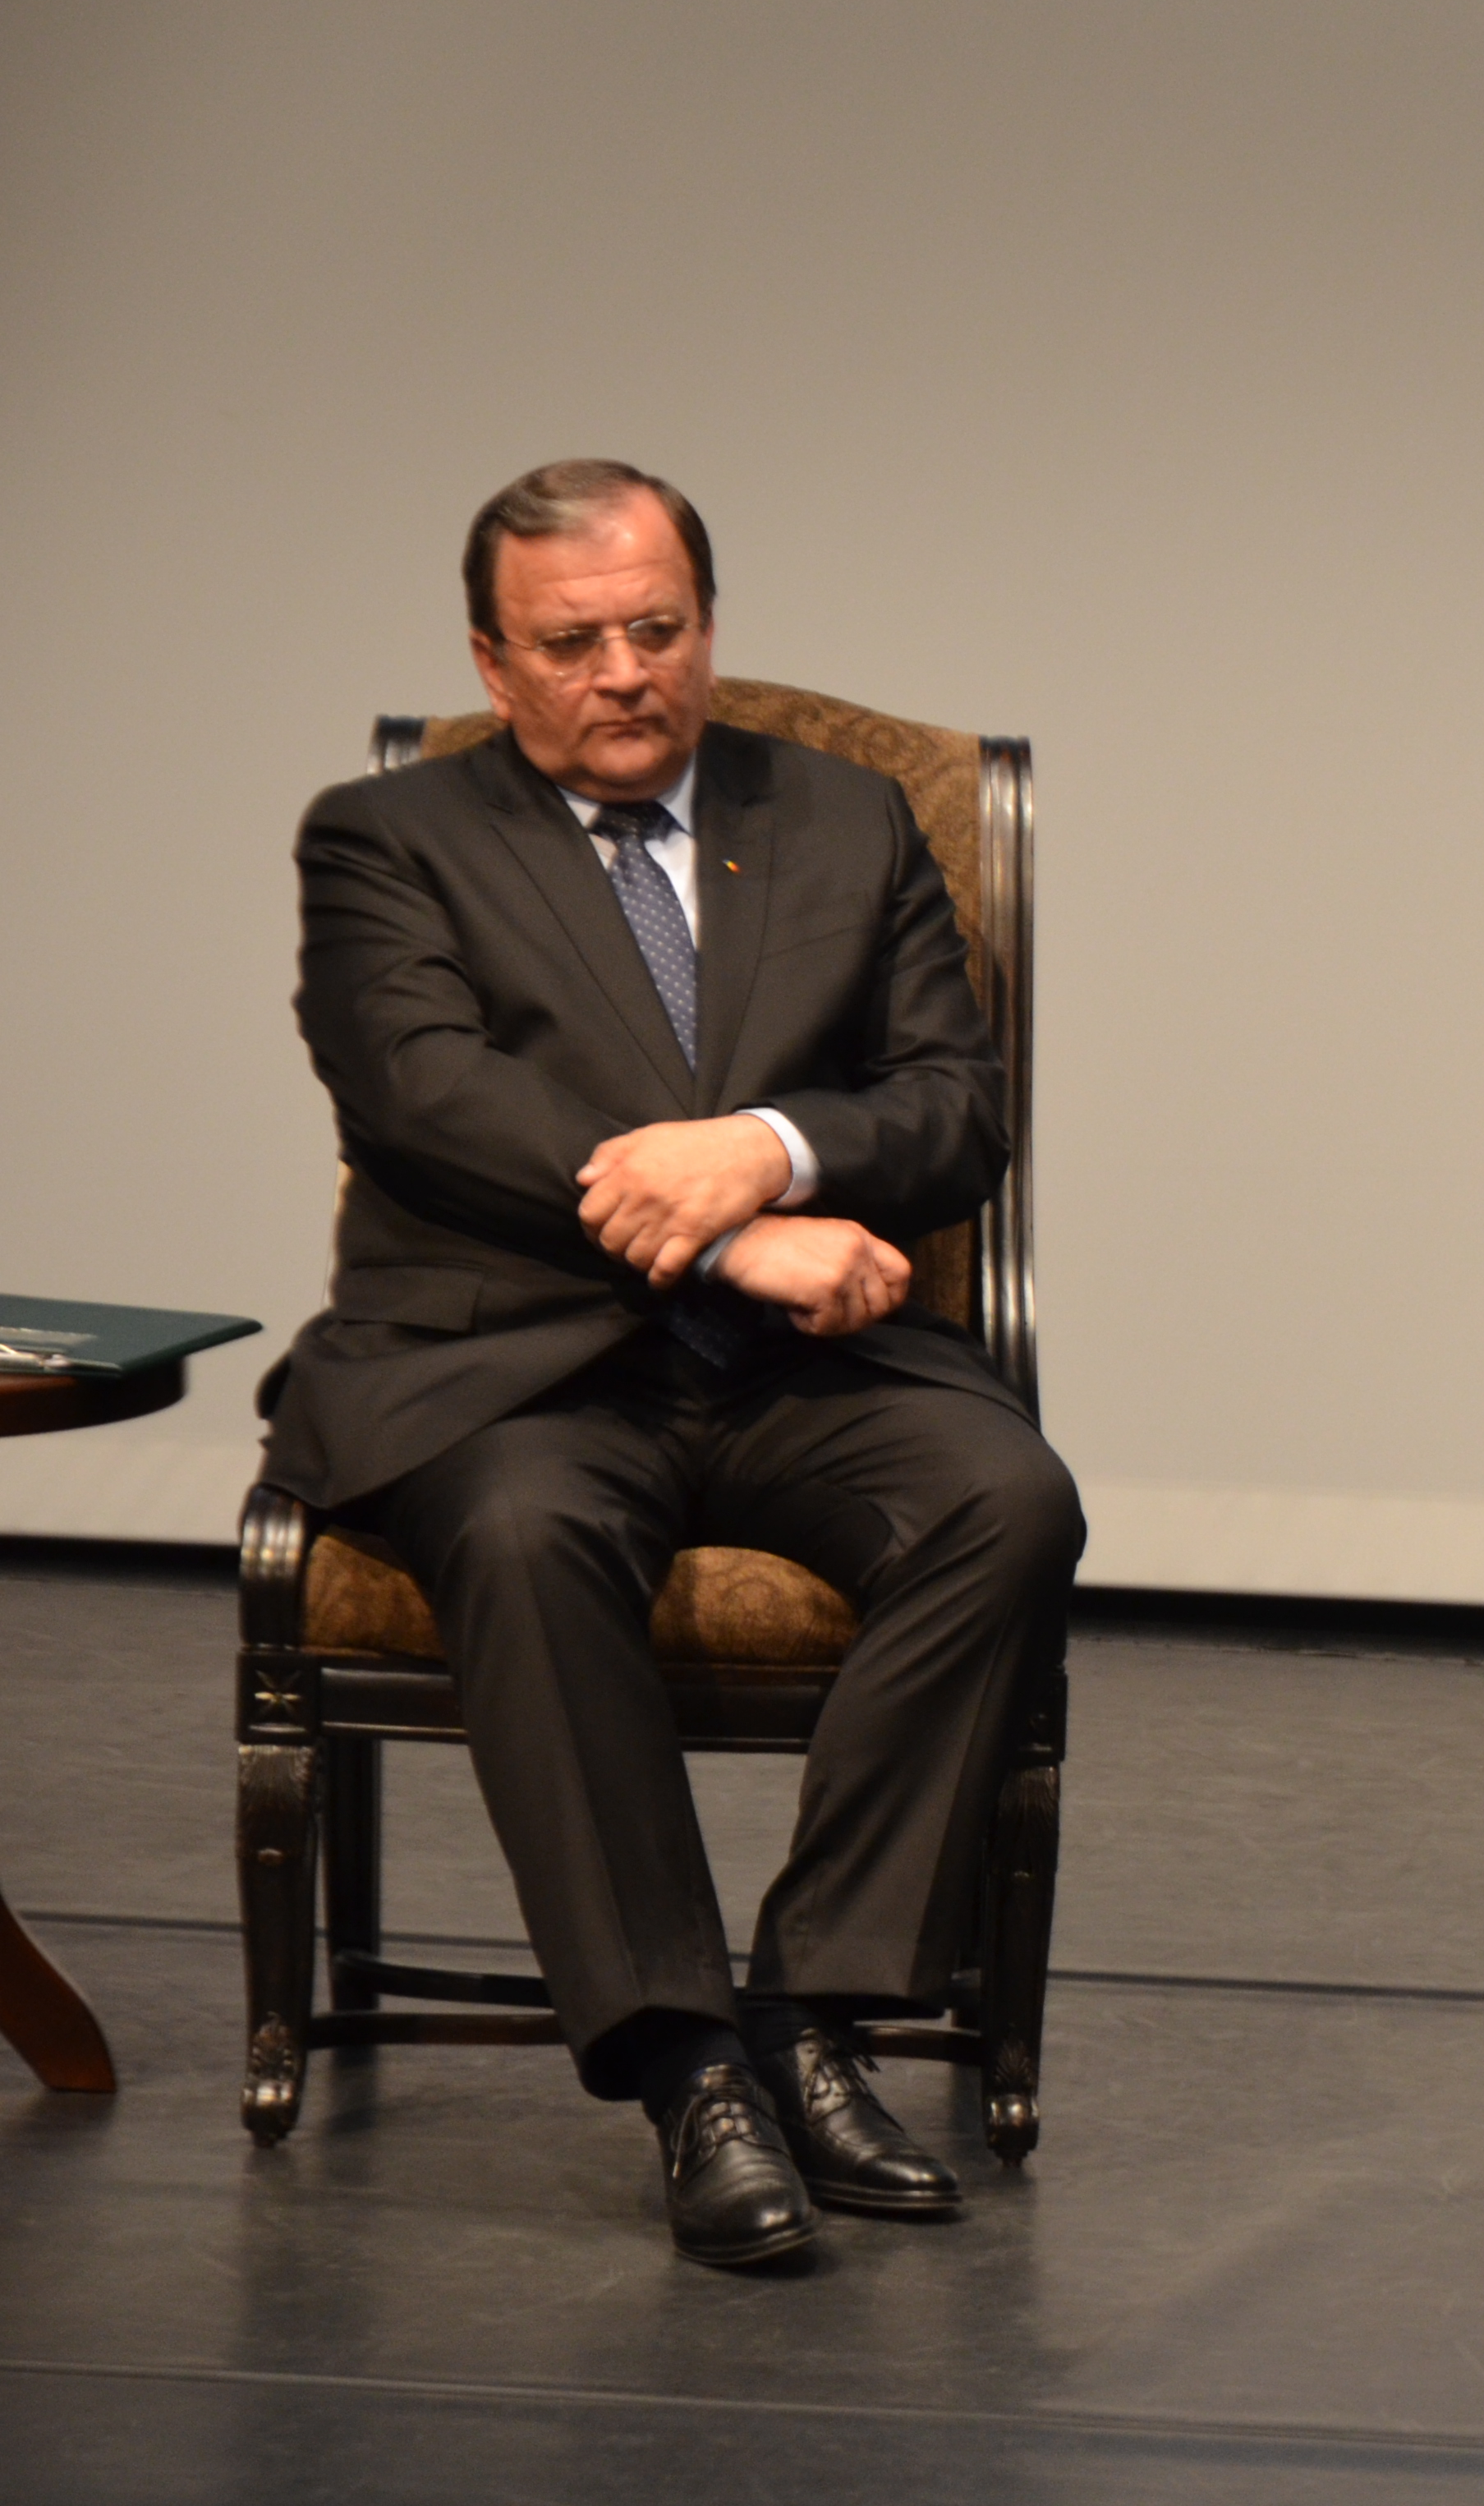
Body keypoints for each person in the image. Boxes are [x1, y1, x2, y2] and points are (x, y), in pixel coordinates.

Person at [258, 459, 1086, 2269]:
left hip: (803, 1369)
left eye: (658, 627)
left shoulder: (846, 818)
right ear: (493, 662)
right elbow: (426, 1100)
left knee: (1006, 1501)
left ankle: (816, 2013)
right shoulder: (386, 839)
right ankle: (685, 2068)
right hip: (512, 1370)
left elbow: (954, 1110)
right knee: (528, 1537)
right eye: (573, 644)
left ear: (707, 625)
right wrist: (726, 1229)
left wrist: (771, 1152)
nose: (626, 672)